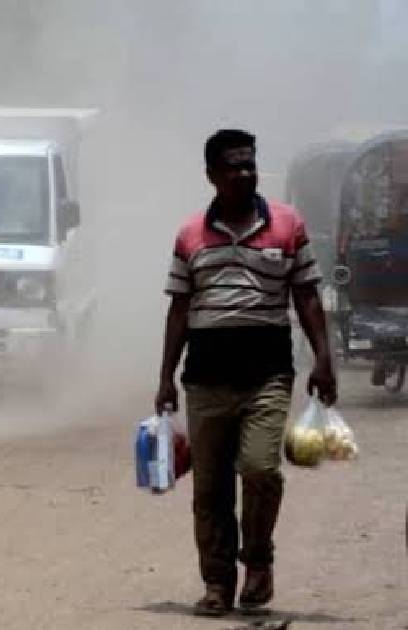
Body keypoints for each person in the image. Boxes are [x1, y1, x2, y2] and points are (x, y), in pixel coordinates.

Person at [155, 129, 338, 617]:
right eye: (233, 166)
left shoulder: (287, 224)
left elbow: (306, 295)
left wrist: (324, 359)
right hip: (205, 381)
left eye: (249, 164)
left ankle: (258, 562)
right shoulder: (190, 234)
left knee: (261, 470)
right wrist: (165, 378)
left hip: (267, 377)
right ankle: (217, 583)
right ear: (212, 175)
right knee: (210, 489)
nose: (244, 173)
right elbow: (179, 308)